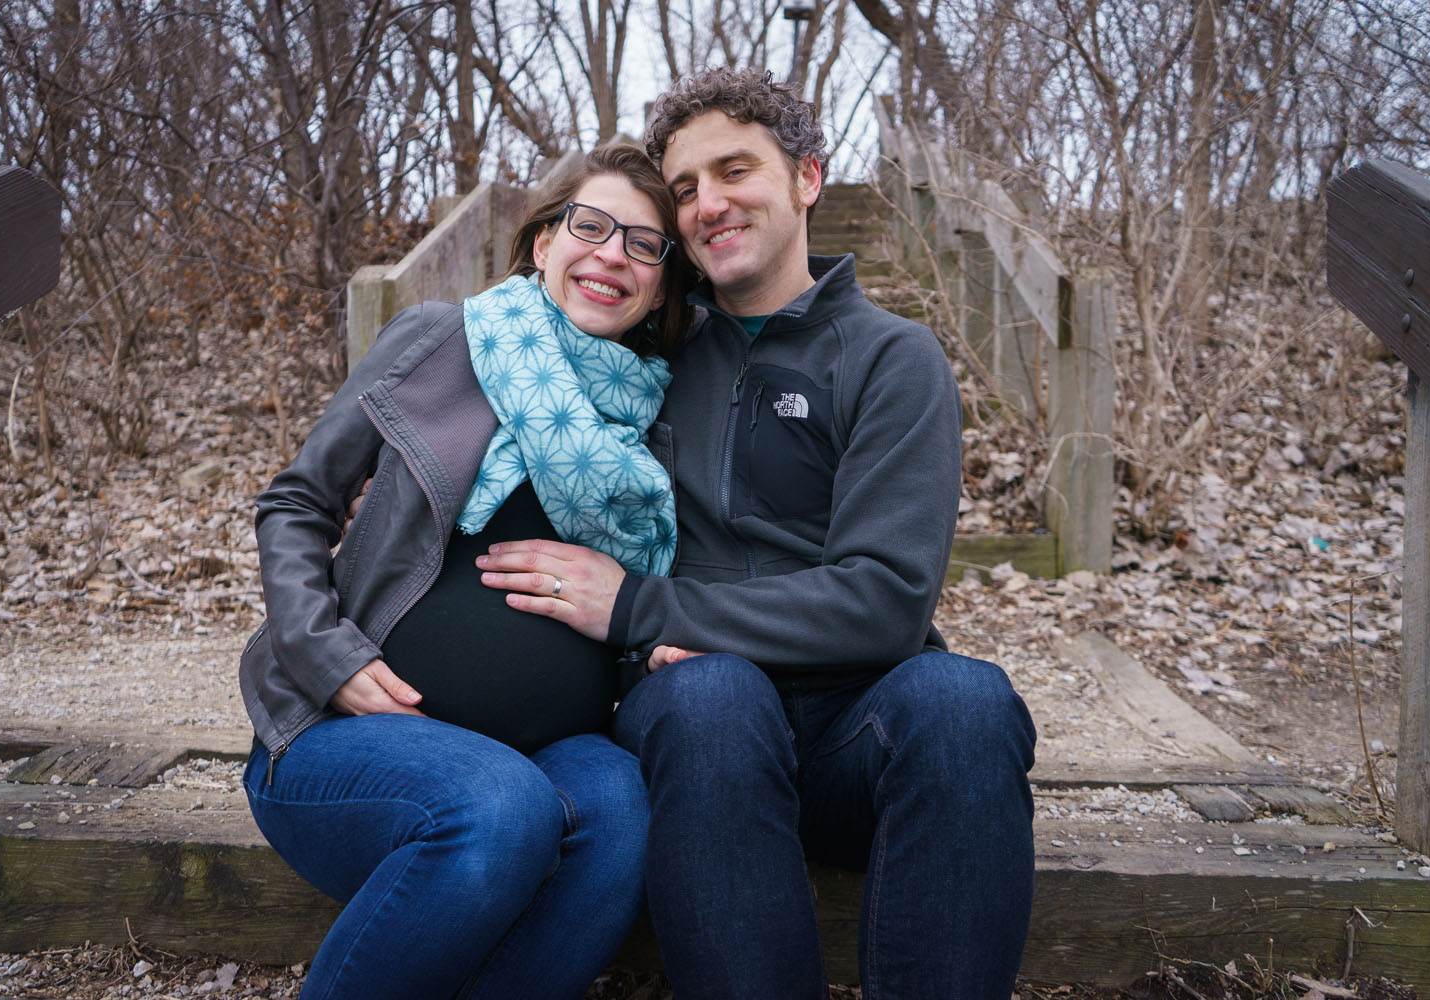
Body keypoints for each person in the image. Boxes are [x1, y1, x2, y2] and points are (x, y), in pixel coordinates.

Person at [477, 68, 1037, 999]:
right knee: (714, 695)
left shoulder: (892, 359)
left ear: (808, 177)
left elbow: (886, 601)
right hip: (693, 732)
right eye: (685, 188)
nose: (708, 204)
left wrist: (647, 607)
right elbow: (511, 365)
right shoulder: (640, 355)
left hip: (854, 733)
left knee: (966, 700)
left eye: (735, 171)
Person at [237, 143, 693, 1000]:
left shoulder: (660, 411)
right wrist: (327, 655)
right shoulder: (443, 339)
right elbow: (296, 502)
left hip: (559, 749)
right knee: (501, 805)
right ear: (544, 242)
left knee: (625, 813)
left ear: (663, 286)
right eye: (591, 227)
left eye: (644, 244)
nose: (612, 255)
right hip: (341, 734)